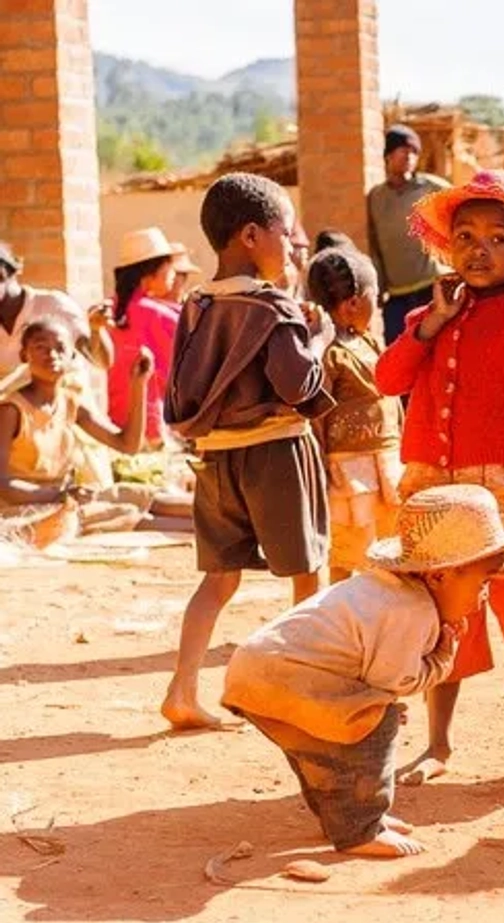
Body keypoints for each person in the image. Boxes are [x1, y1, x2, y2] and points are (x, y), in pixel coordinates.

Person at [374, 168, 504, 803]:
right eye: (465, 236)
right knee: (440, 621)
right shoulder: (429, 316)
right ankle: (437, 744)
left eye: (497, 238)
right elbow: (388, 380)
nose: (478, 250)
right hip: (436, 492)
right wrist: (431, 324)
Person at [221, 485, 504, 858]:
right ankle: (361, 830)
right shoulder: (412, 610)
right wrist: (443, 656)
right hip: (284, 677)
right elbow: (393, 683)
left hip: (256, 674)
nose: (484, 594)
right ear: (439, 576)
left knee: (322, 752)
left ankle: (344, 820)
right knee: (378, 723)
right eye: (482, 582)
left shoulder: (388, 590)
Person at [160, 172, 335, 731]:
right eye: (285, 232)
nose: (290, 245)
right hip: (276, 454)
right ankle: (299, 687)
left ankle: (182, 689)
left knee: (218, 579)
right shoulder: (272, 307)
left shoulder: (195, 304)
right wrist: (320, 340)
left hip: (215, 459)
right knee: (307, 574)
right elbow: (296, 386)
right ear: (253, 236)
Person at [0, 318, 155, 535]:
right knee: (127, 512)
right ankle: (204, 533)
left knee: (147, 497)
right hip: (25, 509)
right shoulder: (11, 410)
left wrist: (139, 385)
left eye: (60, 348)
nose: (52, 355)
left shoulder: (70, 403)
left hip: (65, 499)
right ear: (24, 355)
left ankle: (205, 523)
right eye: (41, 347)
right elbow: (3, 484)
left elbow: (127, 445)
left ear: (72, 356)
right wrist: (58, 495)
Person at [307, 246, 403, 583]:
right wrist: (320, 468)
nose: (378, 305)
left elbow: (391, 396)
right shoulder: (329, 352)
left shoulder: (370, 342)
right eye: (373, 297)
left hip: (386, 464)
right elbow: (316, 415)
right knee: (347, 552)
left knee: (391, 545)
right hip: (349, 472)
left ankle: (383, 608)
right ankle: (343, 609)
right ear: (352, 304)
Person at [367, 124, 451, 348]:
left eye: (414, 151)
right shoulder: (376, 197)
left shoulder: (431, 188)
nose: (409, 156)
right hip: (396, 296)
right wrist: (378, 286)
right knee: (399, 352)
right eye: (403, 150)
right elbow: (374, 243)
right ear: (388, 155)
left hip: (430, 288)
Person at [0, 241, 113, 403]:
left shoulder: (53, 305)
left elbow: (101, 361)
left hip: (69, 409)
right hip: (19, 414)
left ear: (5, 274)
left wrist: (96, 330)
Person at [106, 228, 181, 446]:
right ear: (151, 270)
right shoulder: (163, 316)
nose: (174, 273)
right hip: (154, 430)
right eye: (169, 266)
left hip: (112, 429)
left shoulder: (105, 312)